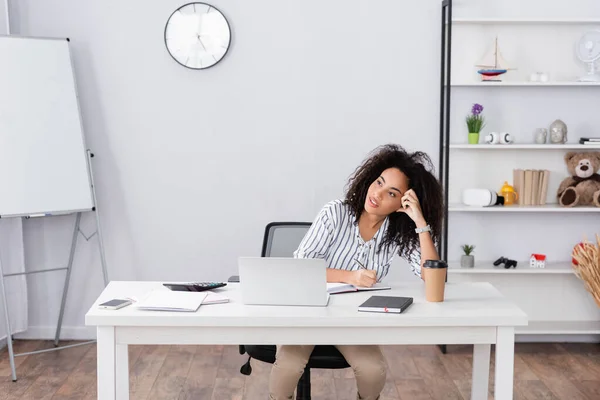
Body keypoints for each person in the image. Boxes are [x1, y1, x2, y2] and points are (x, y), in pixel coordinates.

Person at [268, 144, 444, 400]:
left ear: (401, 204)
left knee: (374, 371)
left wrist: (419, 221)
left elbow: (433, 276)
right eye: (379, 182)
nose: (377, 194)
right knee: (288, 368)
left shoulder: (395, 233)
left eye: (391, 193)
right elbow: (301, 269)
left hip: (354, 318)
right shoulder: (336, 212)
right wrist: (349, 276)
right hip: (309, 310)